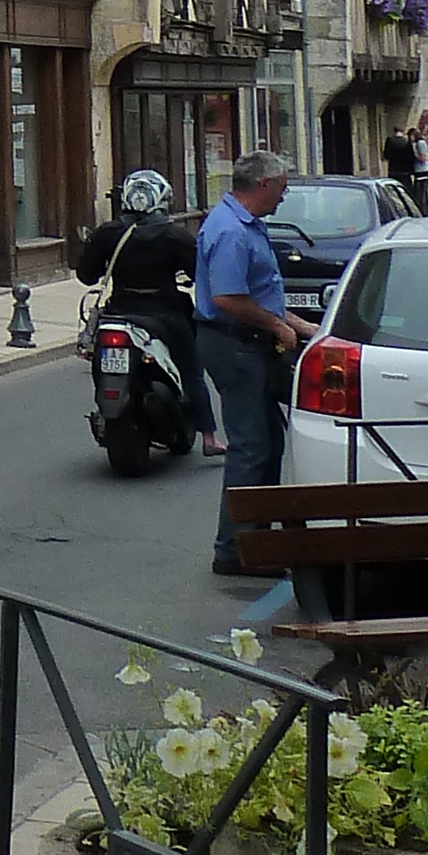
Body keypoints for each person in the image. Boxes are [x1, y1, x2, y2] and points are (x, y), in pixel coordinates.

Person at [194, 148, 300, 580]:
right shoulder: (231, 231)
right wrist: (277, 328)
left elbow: (259, 295)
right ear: (264, 185)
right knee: (251, 445)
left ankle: (258, 537)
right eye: (283, 186)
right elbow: (228, 299)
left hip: (247, 341)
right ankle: (235, 549)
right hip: (233, 345)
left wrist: (302, 326)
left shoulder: (245, 225)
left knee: (268, 441)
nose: (285, 194)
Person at [78, 168, 221, 456]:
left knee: (97, 358)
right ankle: (209, 437)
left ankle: (105, 413)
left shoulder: (109, 232)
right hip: (165, 315)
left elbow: (86, 275)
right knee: (193, 371)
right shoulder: (173, 235)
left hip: (118, 313)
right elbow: (200, 275)